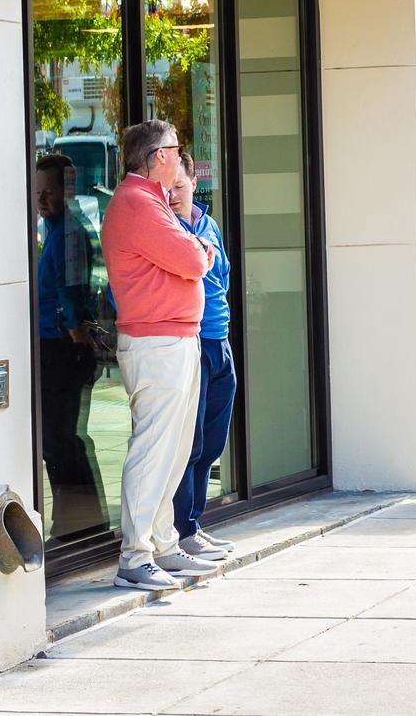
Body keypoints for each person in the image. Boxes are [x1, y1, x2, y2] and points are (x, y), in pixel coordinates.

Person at [101, 118, 214, 593]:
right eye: (175, 147)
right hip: (157, 343)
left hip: (174, 339)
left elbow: (193, 252)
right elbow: (193, 259)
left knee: (175, 449)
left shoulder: (153, 202)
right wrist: (198, 250)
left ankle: (163, 543)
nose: (179, 154)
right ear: (159, 156)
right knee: (153, 449)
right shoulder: (137, 202)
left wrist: (197, 249)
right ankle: (136, 553)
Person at [169, 149, 239, 562]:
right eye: (168, 187)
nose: (173, 194)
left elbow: (223, 275)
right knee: (189, 444)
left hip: (219, 341)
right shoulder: (166, 227)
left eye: (180, 185)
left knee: (213, 442)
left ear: (194, 183)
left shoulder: (208, 224)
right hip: (190, 342)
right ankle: (183, 530)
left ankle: (195, 523)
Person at [33, 154, 106, 539]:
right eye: (37, 192)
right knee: (62, 441)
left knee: (60, 441)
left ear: (66, 191)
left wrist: (78, 340)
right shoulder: (57, 229)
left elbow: (70, 292)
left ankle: (77, 530)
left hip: (61, 349)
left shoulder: (68, 233)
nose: (41, 199)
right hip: (55, 347)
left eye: (49, 192)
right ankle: (79, 526)